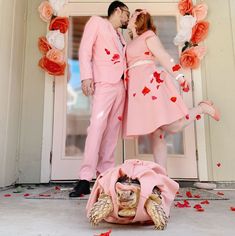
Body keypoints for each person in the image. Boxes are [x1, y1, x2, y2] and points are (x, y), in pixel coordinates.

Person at [123, 9, 220, 170]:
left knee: (173, 126)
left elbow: (163, 56)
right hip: (137, 90)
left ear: (138, 19)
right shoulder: (131, 42)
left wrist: (179, 77)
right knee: (157, 133)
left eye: (132, 15)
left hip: (150, 86)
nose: (129, 17)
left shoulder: (148, 36)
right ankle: (162, 177)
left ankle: (202, 108)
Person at [69, 1, 130, 197]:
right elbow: (85, 50)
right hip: (104, 84)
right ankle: (85, 178)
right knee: (96, 127)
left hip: (121, 86)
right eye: (126, 14)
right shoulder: (96, 23)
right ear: (118, 10)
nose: (127, 18)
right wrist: (87, 76)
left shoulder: (121, 36)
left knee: (112, 132)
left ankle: (105, 176)